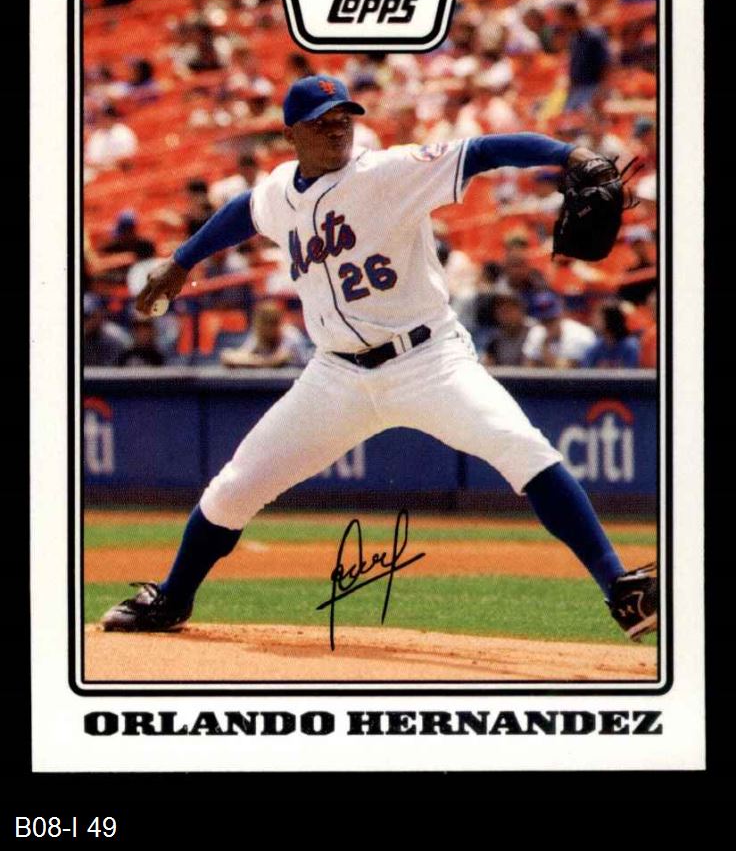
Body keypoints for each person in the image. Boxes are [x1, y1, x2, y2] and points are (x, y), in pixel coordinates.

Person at [100, 75, 657, 642]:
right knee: (235, 487)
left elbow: (485, 151)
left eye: (344, 117)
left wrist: (569, 155)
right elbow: (247, 209)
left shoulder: (389, 172)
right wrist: (182, 260)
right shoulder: (280, 191)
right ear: (291, 135)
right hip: (335, 375)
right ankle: (172, 598)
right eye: (322, 121)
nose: (337, 128)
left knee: (523, 448)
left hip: (429, 360)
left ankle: (621, 589)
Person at [220, 300, 311, 369]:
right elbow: (229, 358)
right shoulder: (258, 334)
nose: (260, 329)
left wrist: (249, 360)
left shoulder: (291, 335)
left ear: (276, 325)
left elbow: (278, 360)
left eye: (267, 324)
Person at [522, 291, 596, 369]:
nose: (547, 325)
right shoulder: (535, 333)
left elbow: (563, 371)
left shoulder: (580, 334)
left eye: (551, 320)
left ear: (561, 314)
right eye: (543, 321)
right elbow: (528, 368)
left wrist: (544, 346)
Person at [581, 302, 641, 369]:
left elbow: (632, 371)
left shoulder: (630, 347)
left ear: (610, 320)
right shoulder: (595, 348)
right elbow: (585, 371)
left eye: (598, 319)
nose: (594, 322)